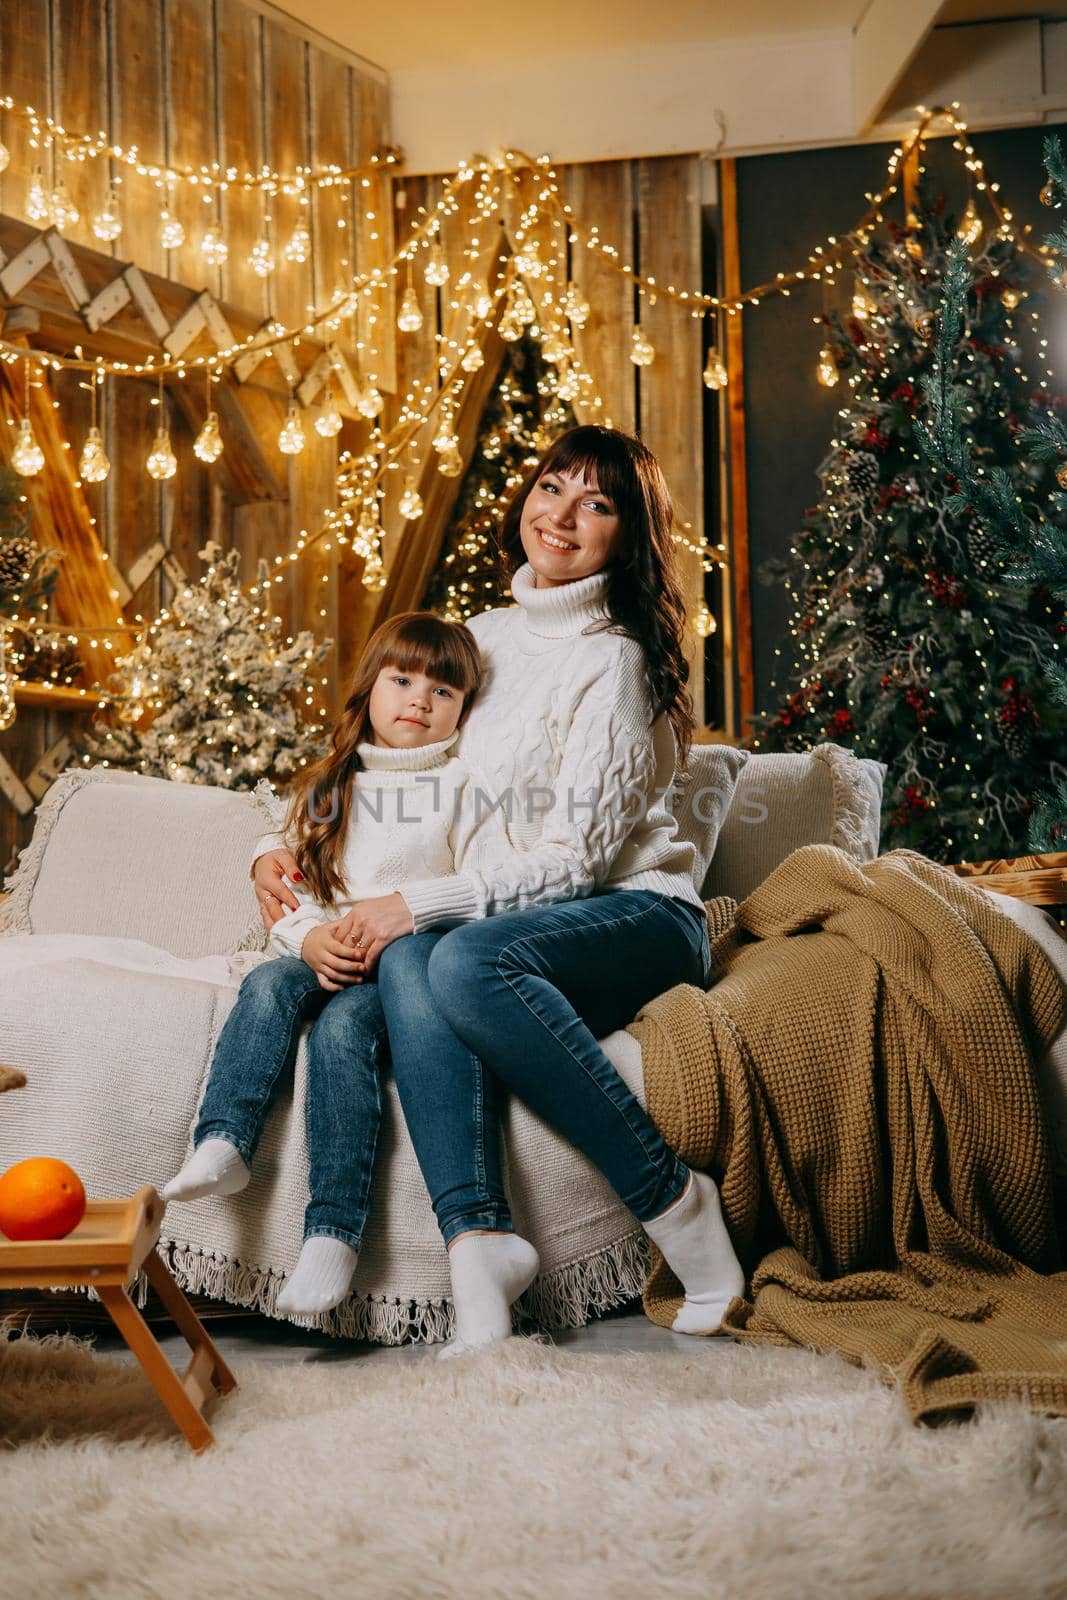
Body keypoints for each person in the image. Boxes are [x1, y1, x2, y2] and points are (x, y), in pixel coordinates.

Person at [254, 426, 745, 1353]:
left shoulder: (616, 659)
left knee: (462, 956)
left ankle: (675, 1201)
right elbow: (381, 766)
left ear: (626, 535)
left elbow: (577, 862)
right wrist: (266, 851)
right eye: (551, 487)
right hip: (506, 924)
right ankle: (480, 1251)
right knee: (416, 961)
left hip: (634, 914)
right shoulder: (476, 639)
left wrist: (416, 903)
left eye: (595, 503)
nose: (560, 514)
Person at [165, 611, 503, 1317]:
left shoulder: (467, 787)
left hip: (404, 973)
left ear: (463, 710)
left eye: (442, 692)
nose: (419, 699)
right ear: (369, 687)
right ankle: (223, 1142)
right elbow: (285, 873)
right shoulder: (333, 779)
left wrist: (403, 928)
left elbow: (484, 887)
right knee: (265, 982)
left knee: (343, 1032)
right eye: (402, 679)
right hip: (320, 953)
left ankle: (334, 1232)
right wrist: (307, 937)